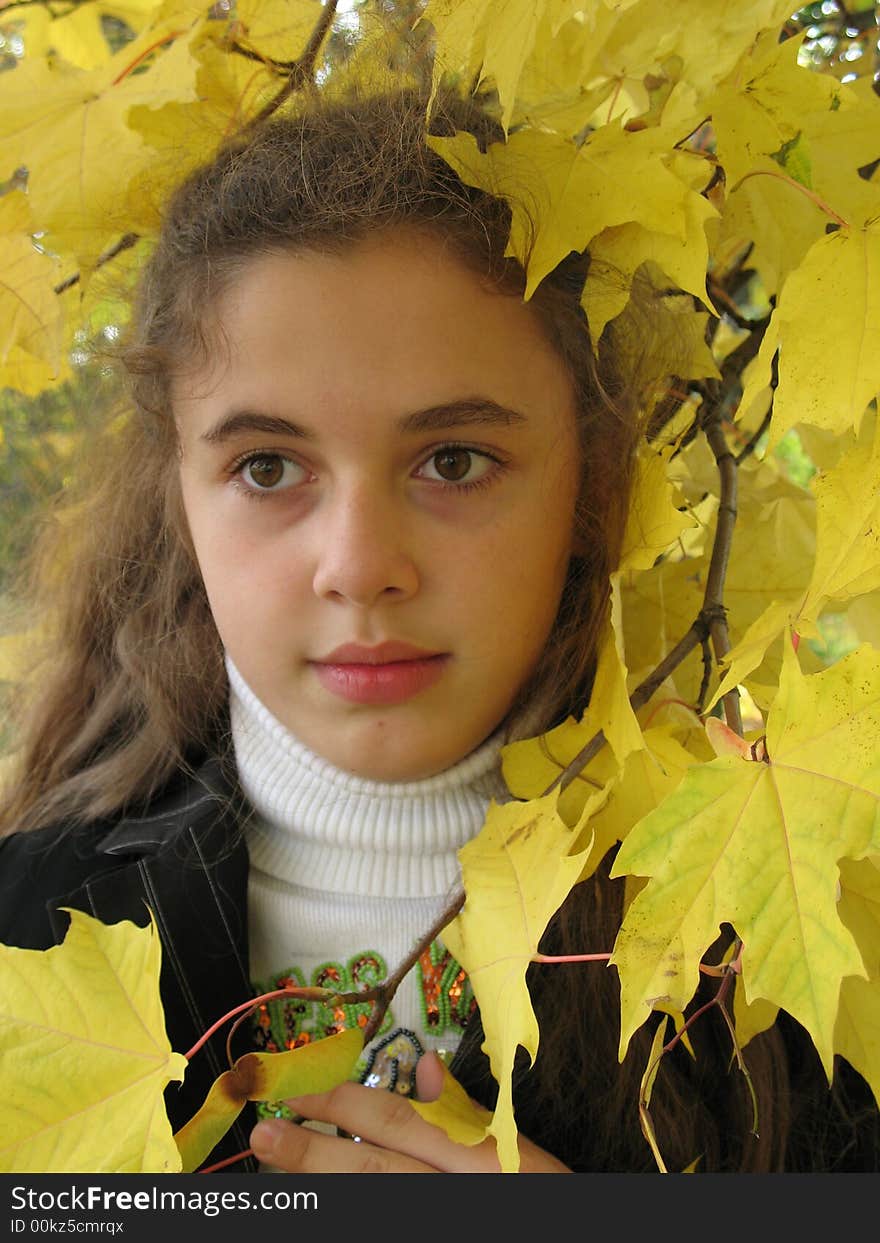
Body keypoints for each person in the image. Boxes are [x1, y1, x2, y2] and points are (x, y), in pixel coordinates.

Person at [0, 83, 877, 1176]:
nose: (361, 566)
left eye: (453, 460)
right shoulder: (26, 929)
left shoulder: (799, 960)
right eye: (267, 468)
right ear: (179, 496)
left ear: (593, 484)